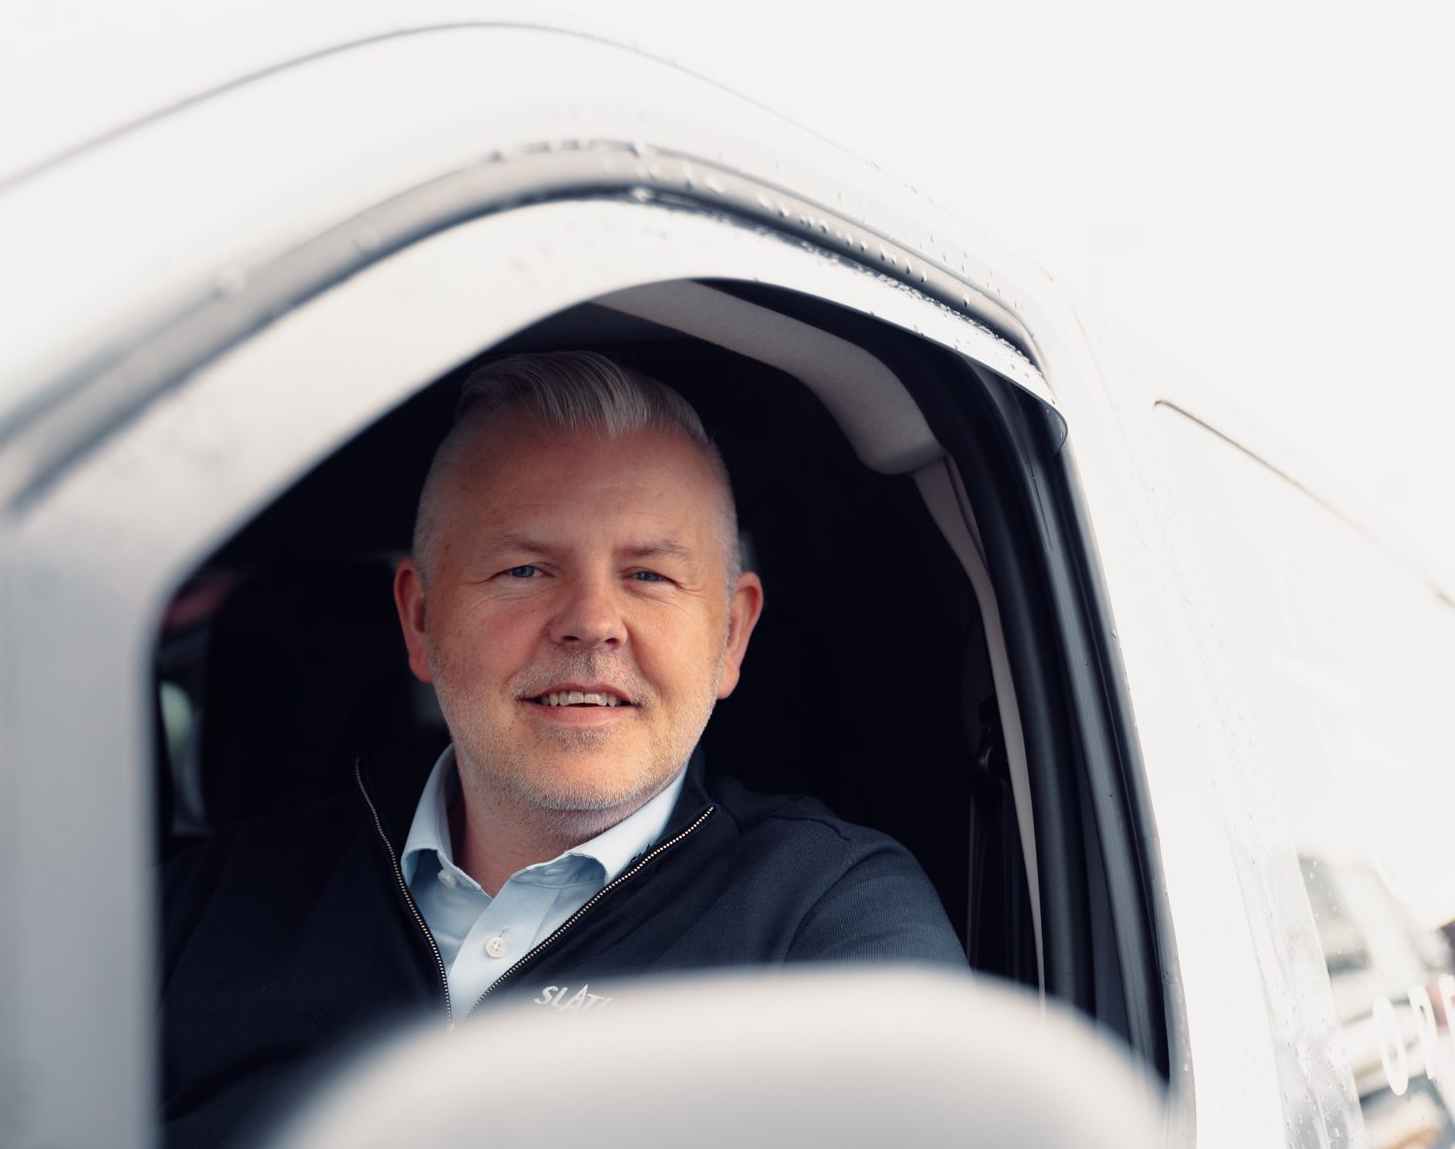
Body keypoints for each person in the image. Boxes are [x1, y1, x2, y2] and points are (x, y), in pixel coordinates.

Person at [159, 351, 965, 1147]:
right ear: (418, 620)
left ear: (729, 634)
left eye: (648, 576)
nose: (591, 621)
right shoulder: (198, 910)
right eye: (524, 569)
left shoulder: (828, 928)